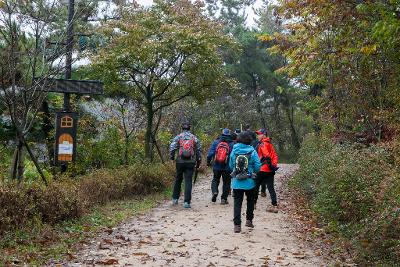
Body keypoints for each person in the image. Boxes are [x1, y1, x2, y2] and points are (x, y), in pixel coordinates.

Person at [229, 131, 261, 233]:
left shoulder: (234, 150)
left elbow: (230, 165)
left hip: (237, 181)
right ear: (249, 140)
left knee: (237, 203)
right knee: (250, 201)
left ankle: (237, 225)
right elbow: (257, 165)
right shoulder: (252, 151)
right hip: (249, 181)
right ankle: (249, 220)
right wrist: (253, 172)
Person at [169, 122, 202, 209]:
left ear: (182, 128)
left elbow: (172, 147)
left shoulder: (179, 136)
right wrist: (198, 160)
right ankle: (186, 202)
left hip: (180, 161)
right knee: (188, 181)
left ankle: (175, 199)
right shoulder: (193, 137)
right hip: (190, 161)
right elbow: (199, 149)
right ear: (189, 128)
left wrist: (172, 157)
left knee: (178, 179)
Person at [254, 128, 279, 213]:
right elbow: (275, 156)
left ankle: (253, 204)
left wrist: (267, 163)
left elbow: (266, 155)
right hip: (270, 170)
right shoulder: (270, 144)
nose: (258, 136)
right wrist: (273, 165)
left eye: (259, 134)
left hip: (262, 169)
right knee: (271, 188)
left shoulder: (262, 144)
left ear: (264, 135)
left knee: (256, 186)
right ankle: (274, 205)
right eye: (258, 134)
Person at [207, 128, 233, 204]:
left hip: (216, 165)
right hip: (227, 167)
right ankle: (224, 199)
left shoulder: (216, 142)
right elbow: (233, 156)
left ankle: (215, 192)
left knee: (215, 179)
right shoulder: (231, 144)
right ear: (229, 134)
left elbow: (210, 154)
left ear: (222, 134)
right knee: (226, 182)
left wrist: (208, 162)